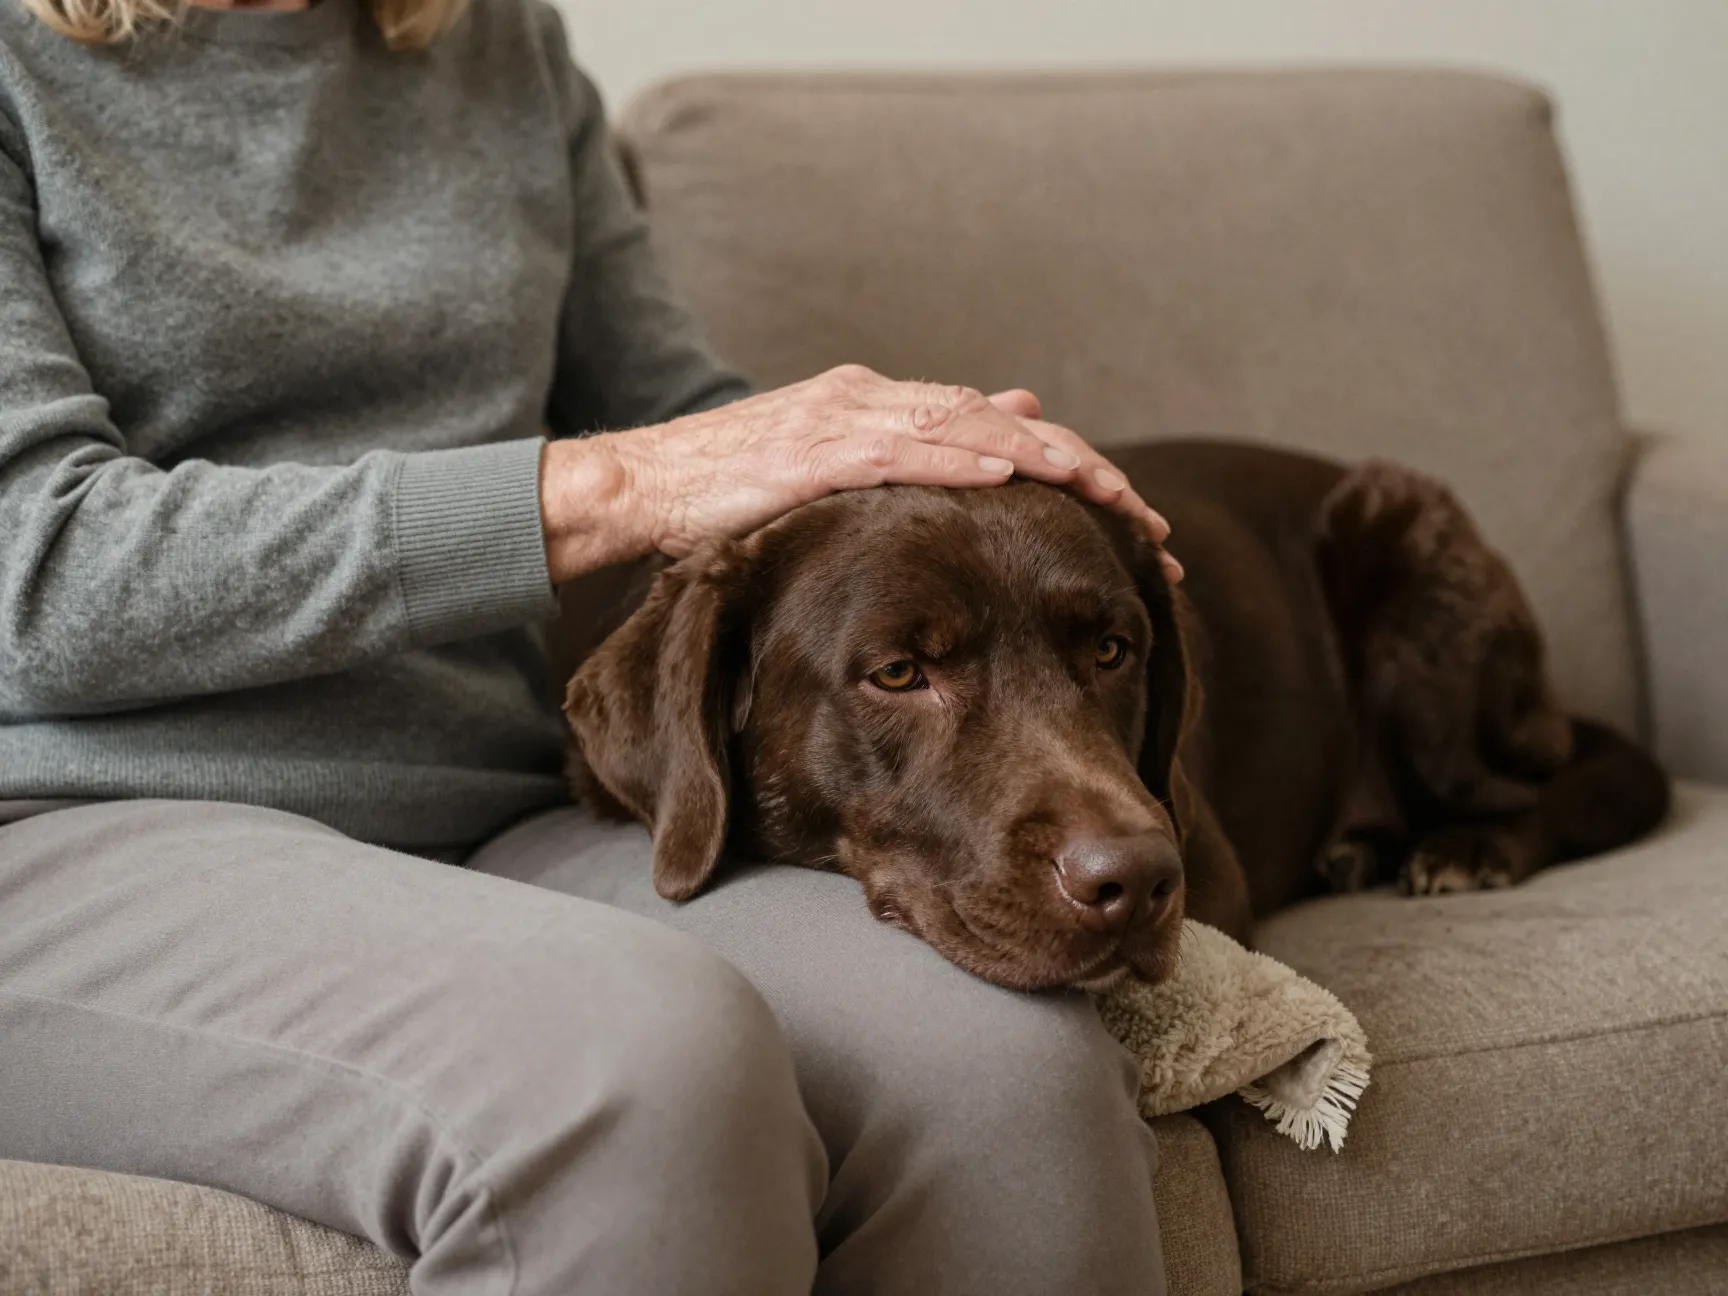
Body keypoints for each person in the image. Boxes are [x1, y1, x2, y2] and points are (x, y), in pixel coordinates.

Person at [0, 0, 1179, 1289]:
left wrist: (955, 470)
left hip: (496, 814)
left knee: (1011, 1073)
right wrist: (618, 485)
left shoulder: (491, 41)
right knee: (647, 1068)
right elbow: (35, 571)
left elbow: (690, 425)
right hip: (78, 830)